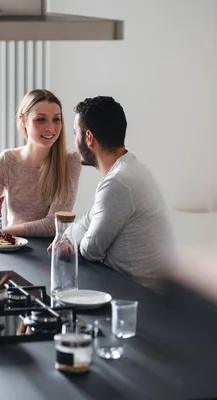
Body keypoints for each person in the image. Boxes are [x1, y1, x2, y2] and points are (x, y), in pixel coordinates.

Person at [54, 96, 174, 291]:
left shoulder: (118, 183)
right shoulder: (129, 168)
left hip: (138, 297)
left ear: (89, 138)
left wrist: (69, 242)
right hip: (137, 290)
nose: (74, 141)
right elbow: (88, 220)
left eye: (76, 133)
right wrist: (65, 238)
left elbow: (90, 250)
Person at [0, 89, 82, 237]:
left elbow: (54, 225)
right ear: (23, 120)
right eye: (41, 119)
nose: (50, 128)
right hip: (12, 247)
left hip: (48, 252)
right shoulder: (6, 161)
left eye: (56, 119)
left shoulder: (70, 160)